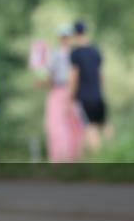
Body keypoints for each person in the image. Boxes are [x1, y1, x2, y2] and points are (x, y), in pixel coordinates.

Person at [43, 25, 84, 162]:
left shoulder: (60, 54)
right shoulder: (73, 53)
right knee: (69, 125)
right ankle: (69, 158)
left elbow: (50, 76)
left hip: (65, 91)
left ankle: (65, 158)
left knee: (62, 125)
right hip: (69, 90)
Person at [68, 20, 108, 152]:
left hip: (84, 96)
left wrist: (70, 96)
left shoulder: (75, 53)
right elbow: (101, 76)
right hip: (98, 95)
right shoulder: (96, 51)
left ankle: (99, 159)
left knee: (89, 128)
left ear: (75, 33)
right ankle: (112, 154)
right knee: (104, 125)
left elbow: (74, 76)